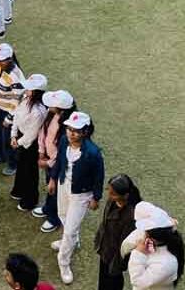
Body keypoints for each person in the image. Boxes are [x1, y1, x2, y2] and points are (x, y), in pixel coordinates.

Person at [49, 111, 105, 285]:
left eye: (76, 130)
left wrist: (96, 198)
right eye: (69, 129)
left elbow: (99, 177)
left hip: (81, 193)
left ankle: (63, 262)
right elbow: (59, 161)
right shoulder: (64, 141)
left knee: (70, 230)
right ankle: (72, 240)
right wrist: (53, 179)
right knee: (63, 215)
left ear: (85, 131)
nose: (71, 133)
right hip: (63, 184)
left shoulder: (93, 153)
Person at [32, 90, 77, 233]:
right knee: (50, 186)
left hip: (58, 164)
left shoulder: (68, 128)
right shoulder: (51, 114)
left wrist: (48, 162)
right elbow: (43, 133)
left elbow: (62, 153)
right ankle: (47, 208)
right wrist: (41, 152)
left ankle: (54, 218)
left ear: (61, 108)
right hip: (47, 158)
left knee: (56, 191)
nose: (48, 105)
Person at [94, 175, 143, 290]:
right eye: (109, 191)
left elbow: (125, 245)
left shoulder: (131, 216)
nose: (109, 195)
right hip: (105, 249)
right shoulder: (112, 201)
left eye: (113, 193)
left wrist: (116, 265)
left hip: (115, 257)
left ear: (125, 195)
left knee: (112, 283)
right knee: (103, 280)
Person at [121, 203, 185, 290]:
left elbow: (137, 282)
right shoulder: (163, 236)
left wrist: (138, 253)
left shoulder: (166, 263)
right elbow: (126, 245)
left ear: (151, 237)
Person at [10, 73, 48, 212]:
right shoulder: (25, 99)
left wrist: (18, 142)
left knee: (30, 171)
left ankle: (30, 200)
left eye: (29, 89)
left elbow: (32, 134)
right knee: (21, 166)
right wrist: (13, 135)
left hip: (31, 144)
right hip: (21, 137)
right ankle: (19, 190)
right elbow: (16, 116)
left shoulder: (39, 111)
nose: (26, 90)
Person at [0, 43, 25, 176]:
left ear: (9, 59)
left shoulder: (15, 75)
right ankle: (1, 155)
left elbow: (19, 99)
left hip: (8, 112)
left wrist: (9, 118)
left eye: (1, 59)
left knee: (8, 138)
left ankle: (12, 164)